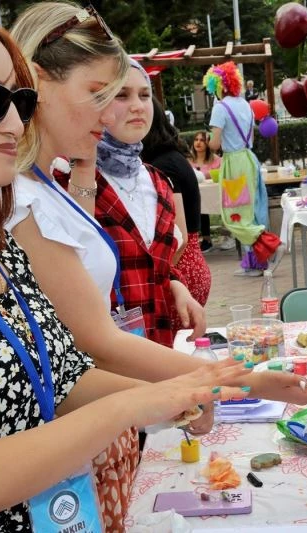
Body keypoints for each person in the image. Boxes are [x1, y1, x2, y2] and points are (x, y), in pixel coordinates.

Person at [0, 9, 253, 531]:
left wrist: (179, 396)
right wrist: (135, 404)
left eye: (20, 100)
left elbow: (62, 378)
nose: (14, 123)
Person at [8, 5, 307, 526]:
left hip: (100, 421)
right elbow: (95, 340)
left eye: (124, 94)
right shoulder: (23, 197)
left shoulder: (49, 184)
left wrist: (197, 385)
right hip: (74, 442)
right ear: (38, 84)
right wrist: (238, 383)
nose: (111, 114)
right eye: (99, 94)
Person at [94, 59, 199, 347]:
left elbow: (156, 264)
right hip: (104, 363)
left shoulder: (157, 182)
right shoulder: (71, 181)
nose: (138, 105)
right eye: (121, 95)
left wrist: (177, 286)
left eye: (144, 95)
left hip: (158, 350)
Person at [204, 61, 284, 277]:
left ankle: (272, 245)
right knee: (253, 212)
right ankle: (255, 263)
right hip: (250, 160)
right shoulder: (246, 105)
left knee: (235, 215)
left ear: (219, 85)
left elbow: (214, 144)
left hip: (234, 163)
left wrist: (207, 138)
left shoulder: (220, 108)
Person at [142, 98, 212, 307]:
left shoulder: (163, 164)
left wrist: (155, 279)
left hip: (181, 269)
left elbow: (178, 237)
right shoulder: (171, 157)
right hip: (190, 266)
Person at [188, 130, 224, 252]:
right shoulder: (188, 160)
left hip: (214, 194)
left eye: (202, 140)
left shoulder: (216, 160)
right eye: (196, 140)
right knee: (198, 204)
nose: (198, 143)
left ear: (208, 143)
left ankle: (227, 236)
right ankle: (204, 239)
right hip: (195, 194)